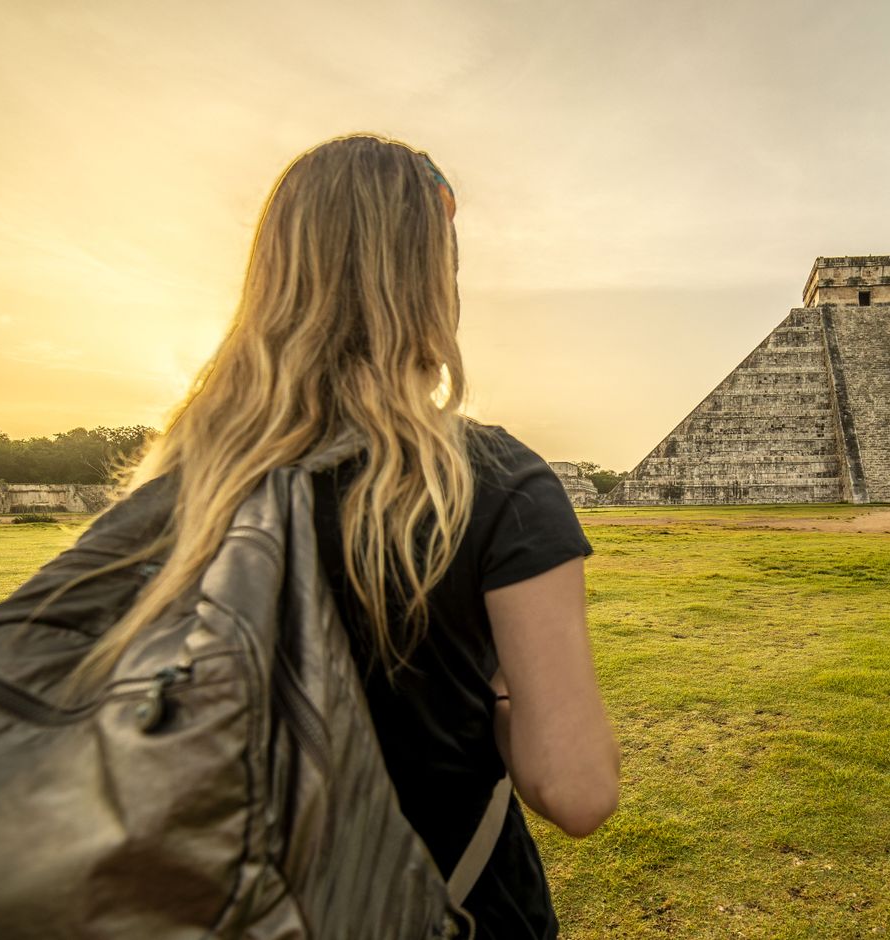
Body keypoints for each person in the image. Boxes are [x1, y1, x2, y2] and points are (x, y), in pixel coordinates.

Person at [89, 133, 619, 937]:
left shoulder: (185, 485)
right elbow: (577, 791)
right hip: (456, 908)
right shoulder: (495, 479)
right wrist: (501, 695)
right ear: (427, 282)